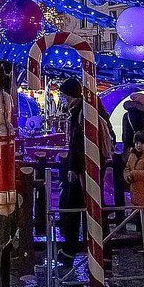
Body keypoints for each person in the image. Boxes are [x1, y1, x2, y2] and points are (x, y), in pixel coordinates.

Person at [57, 77, 87, 266]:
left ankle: (71, 247)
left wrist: (73, 167)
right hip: (77, 166)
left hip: (79, 168)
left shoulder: (80, 112)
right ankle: (71, 244)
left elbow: (78, 142)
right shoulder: (78, 111)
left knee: (72, 206)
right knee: (70, 205)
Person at [120, 92, 144, 157]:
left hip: (127, 146)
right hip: (140, 147)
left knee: (129, 165)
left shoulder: (126, 115)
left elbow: (125, 133)